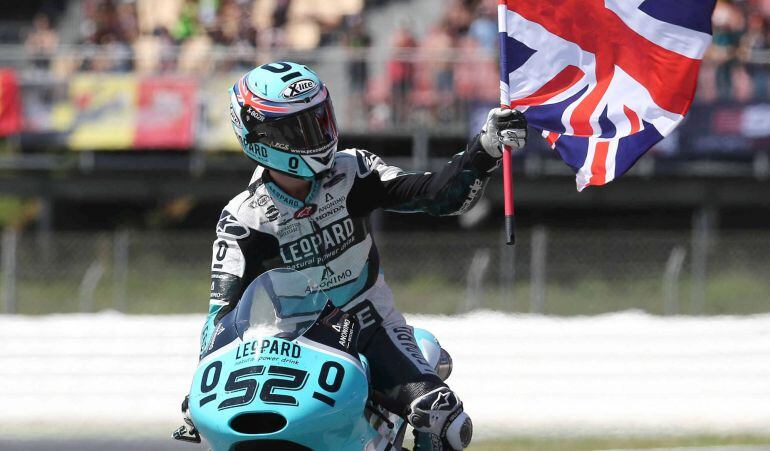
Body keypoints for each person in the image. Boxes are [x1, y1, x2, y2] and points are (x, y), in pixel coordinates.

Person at [183, 61, 526, 450]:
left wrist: (483, 150)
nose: (318, 134)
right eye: (300, 127)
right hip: (293, 342)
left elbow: (437, 195)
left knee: (443, 416)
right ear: (260, 135)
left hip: (370, 325)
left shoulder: (354, 171)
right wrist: (201, 378)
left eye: (320, 119)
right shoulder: (243, 218)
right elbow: (220, 315)